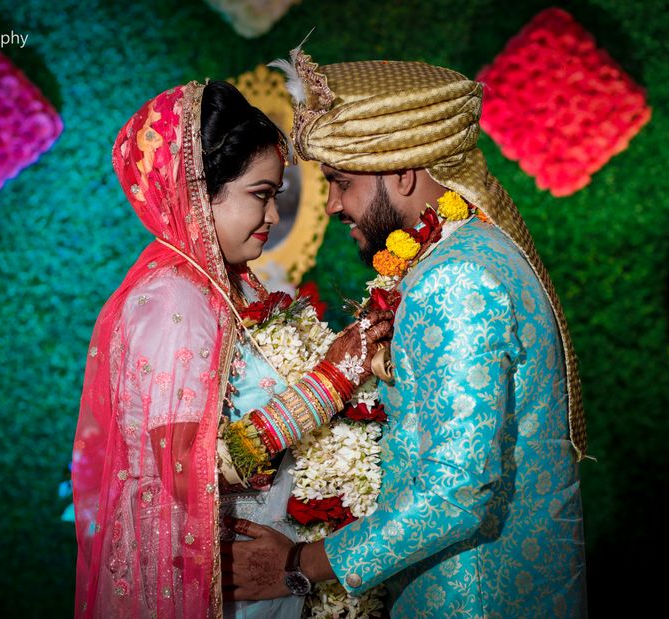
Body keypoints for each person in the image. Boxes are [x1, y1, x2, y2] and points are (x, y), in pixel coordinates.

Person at [221, 48, 590, 617]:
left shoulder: (456, 278)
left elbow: (457, 489)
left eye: (341, 181)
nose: (333, 204)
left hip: (473, 599)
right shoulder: (460, 254)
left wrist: (298, 563)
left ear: (402, 171)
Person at [71, 80, 392, 618]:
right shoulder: (173, 300)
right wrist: (330, 382)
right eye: (260, 195)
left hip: (256, 568)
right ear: (198, 192)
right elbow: (186, 471)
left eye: (275, 196)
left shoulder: (225, 287)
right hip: (211, 583)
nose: (273, 217)